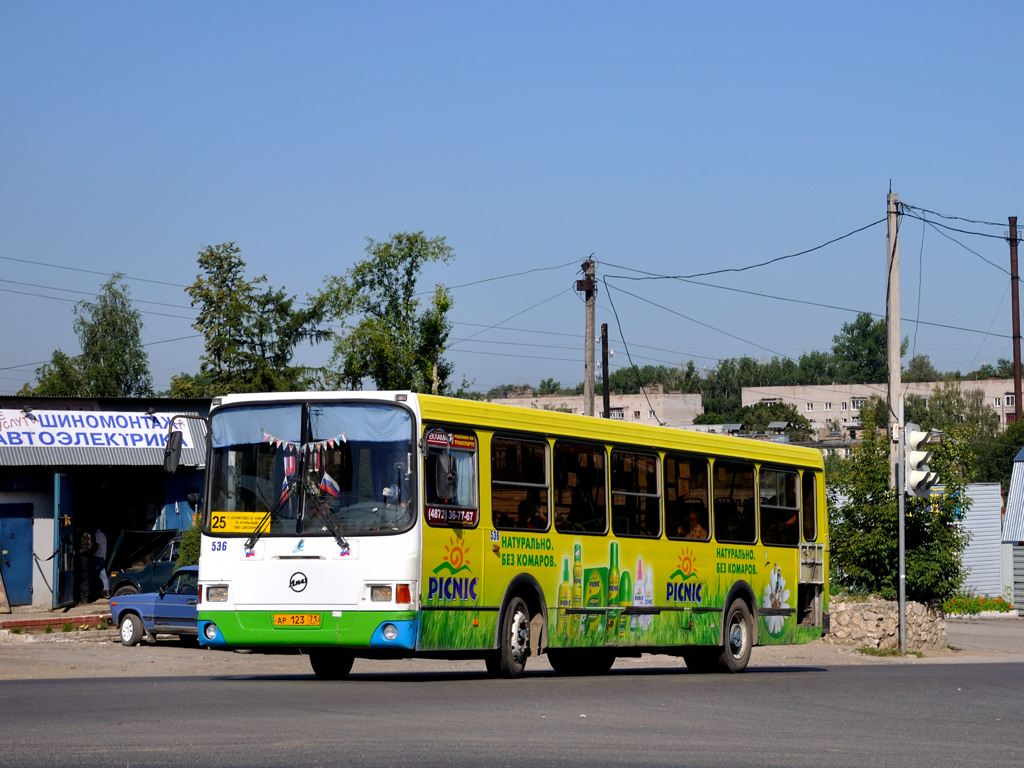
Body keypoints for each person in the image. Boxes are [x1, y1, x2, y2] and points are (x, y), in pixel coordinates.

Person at [76, 527, 93, 603]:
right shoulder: (79, 535)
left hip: (84, 559)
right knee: (80, 577)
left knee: (84, 577)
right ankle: (80, 597)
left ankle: (84, 598)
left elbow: (87, 548)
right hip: (80, 559)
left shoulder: (86, 535)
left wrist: (77, 552)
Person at [93, 528, 110, 599]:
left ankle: (92, 593)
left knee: (92, 575)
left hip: (97, 556)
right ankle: (106, 591)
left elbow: (97, 546)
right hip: (103, 556)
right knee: (103, 574)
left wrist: (92, 552)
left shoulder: (97, 535)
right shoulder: (103, 535)